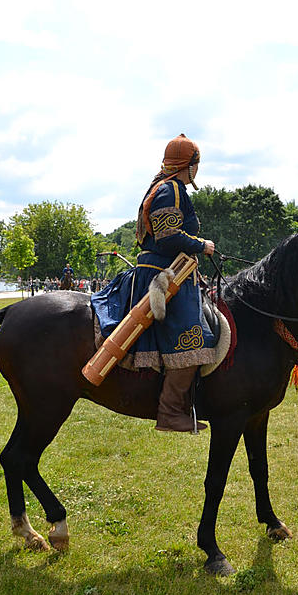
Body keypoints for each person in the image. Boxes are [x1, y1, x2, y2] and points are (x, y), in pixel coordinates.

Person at [91, 134, 217, 433]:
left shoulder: (162, 186)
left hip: (169, 270)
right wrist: (203, 245)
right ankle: (170, 411)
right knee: (194, 339)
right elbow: (168, 236)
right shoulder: (171, 189)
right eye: (196, 165)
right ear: (190, 165)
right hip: (165, 275)